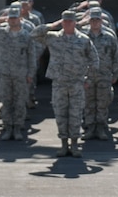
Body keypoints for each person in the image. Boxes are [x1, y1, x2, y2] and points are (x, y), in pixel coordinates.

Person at [31, 9, 99, 157]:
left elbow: (94, 60)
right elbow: (34, 34)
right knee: (60, 114)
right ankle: (63, 145)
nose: (67, 24)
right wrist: (52, 25)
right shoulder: (53, 37)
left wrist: (89, 79)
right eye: (65, 21)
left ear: (75, 22)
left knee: (75, 114)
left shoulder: (83, 39)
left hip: (76, 84)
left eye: (70, 21)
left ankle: (74, 145)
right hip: (59, 83)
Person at [0, 5, 37, 141]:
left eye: (15, 18)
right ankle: (7, 127)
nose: (12, 20)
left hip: (21, 73)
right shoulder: (1, 32)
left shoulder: (26, 35)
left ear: (20, 19)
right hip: (5, 72)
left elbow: (31, 56)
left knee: (20, 101)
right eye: (10, 18)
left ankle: (17, 128)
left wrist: (30, 74)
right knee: (6, 100)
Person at [83, 7, 118, 140]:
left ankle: (101, 127)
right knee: (89, 102)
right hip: (87, 76)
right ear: (89, 21)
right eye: (92, 20)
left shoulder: (109, 36)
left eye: (97, 20)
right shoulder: (83, 37)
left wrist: (116, 74)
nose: (95, 22)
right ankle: (89, 127)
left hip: (104, 75)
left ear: (101, 21)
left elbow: (116, 56)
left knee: (102, 102)